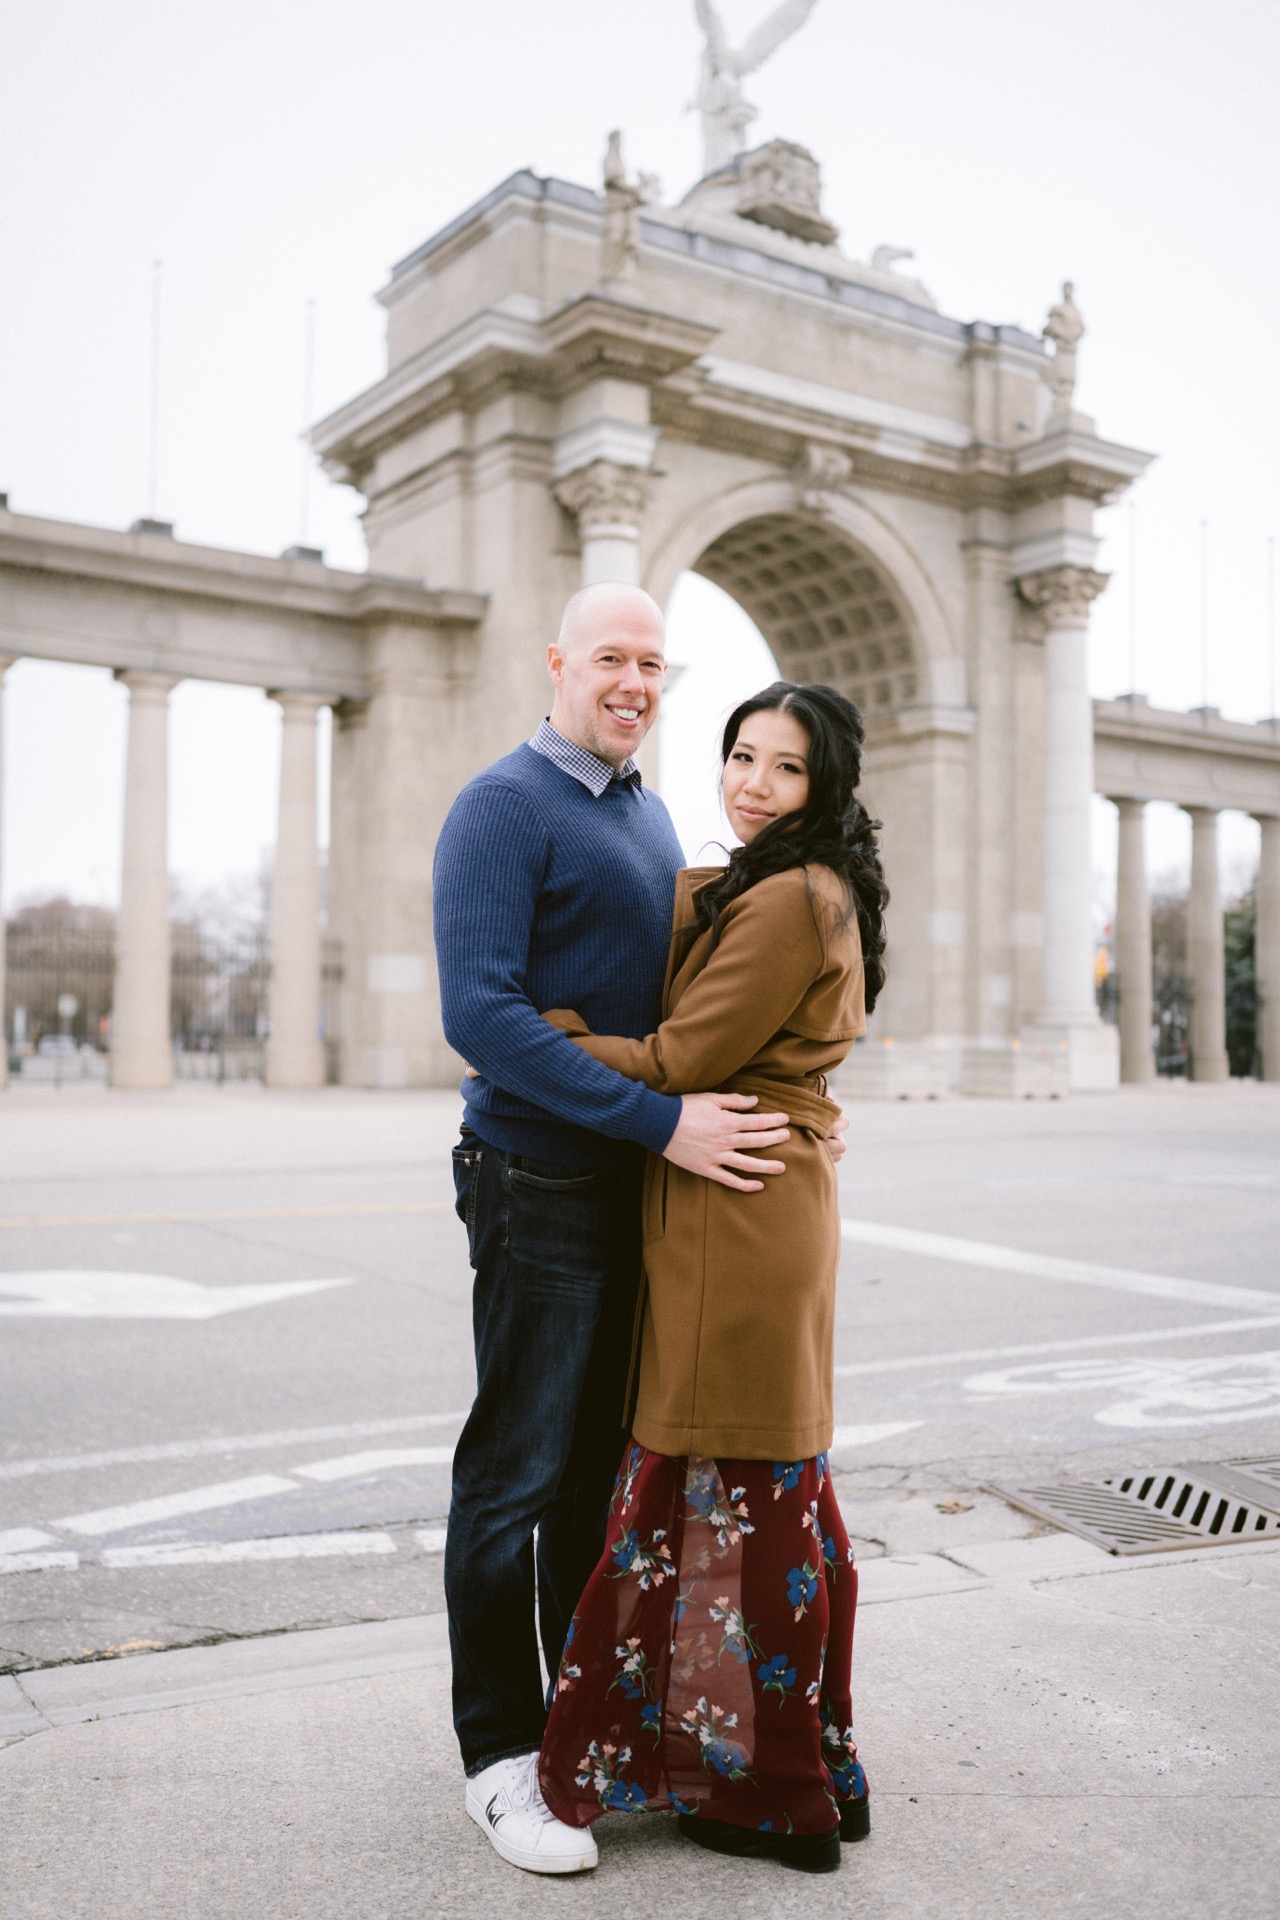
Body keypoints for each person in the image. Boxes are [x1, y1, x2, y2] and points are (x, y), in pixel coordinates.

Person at [433, 584, 851, 1876]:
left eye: (653, 665)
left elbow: (736, 996)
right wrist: (658, 1118)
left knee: (592, 1487)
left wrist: (795, 1097)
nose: (632, 681)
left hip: (634, 1188)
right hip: (544, 1177)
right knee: (513, 1473)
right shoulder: (503, 807)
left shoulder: (645, 810)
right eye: (610, 657)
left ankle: (582, 1734)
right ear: (557, 661)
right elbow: (484, 1017)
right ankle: (501, 1755)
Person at [536, 679, 888, 1875]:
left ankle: (766, 1793)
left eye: (784, 768)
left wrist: (550, 1036)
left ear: (822, 786)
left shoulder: (789, 896)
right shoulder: (800, 884)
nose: (750, 782)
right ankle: (806, 1763)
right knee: (771, 1490)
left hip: (729, 1214)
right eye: (740, 755)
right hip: (763, 1201)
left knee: (731, 1495)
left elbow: (683, 1055)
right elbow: (716, 960)